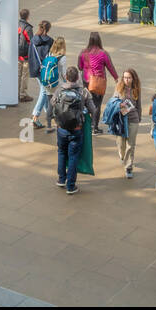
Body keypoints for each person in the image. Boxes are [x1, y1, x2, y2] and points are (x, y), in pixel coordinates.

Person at [52, 65, 98, 195]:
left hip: (61, 128)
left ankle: (61, 179)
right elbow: (93, 110)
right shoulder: (83, 92)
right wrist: (91, 122)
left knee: (61, 152)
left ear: (66, 77)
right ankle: (70, 186)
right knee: (73, 157)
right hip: (77, 129)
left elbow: (52, 104)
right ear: (78, 77)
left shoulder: (59, 90)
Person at [78, 32, 118, 130]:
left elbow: (80, 67)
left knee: (87, 102)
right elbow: (110, 67)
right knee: (96, 105)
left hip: (86, 81)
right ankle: (94, 127)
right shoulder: (103, 53)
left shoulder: (83, 52)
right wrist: (116, 77)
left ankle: (87, 123)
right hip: (98, 82)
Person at [112, 68, 141, 179]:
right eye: (125, 77)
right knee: (121, 143)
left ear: (133, 78)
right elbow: (113, 102)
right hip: (121, 119)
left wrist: (138, 117)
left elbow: (139, 104)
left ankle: (129, 167)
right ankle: (122, 155)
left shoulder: (136, 89)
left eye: (129, 77)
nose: (127, 80)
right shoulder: (119, 88)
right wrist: (120, 106)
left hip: (133, 119)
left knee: (131, 145)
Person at [32, 34, 64, 130]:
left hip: (40, 71)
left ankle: (48, 114)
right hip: (47, 76)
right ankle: (35, 116)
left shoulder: (34, 40)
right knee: (43, 93)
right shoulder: (49, 41)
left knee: (45, 93)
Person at [16, 9, 33, 103]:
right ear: (28, 16)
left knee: (18, 74)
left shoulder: (16, 25)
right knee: (25, 75)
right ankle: (23, 94)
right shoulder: (27, 28)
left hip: (17, 54)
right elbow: (31, 42)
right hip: (25, 55)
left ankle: (17, 93)